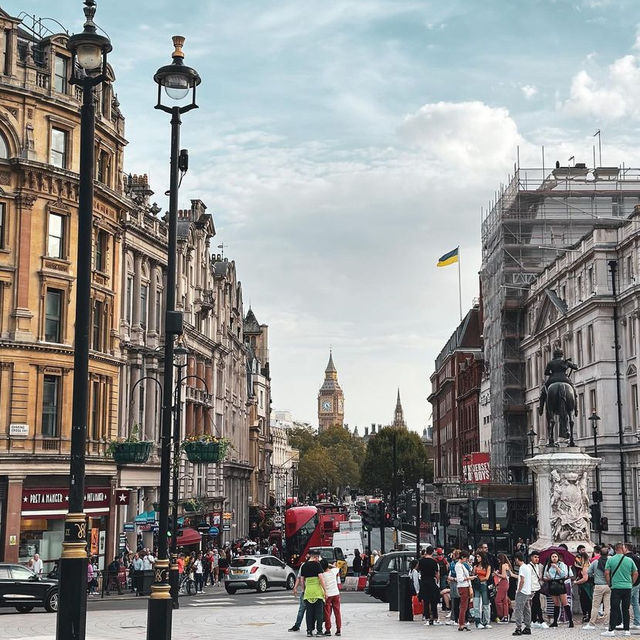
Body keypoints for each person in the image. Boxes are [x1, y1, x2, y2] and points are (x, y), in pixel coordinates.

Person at [601, 542, 638, 637]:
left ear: (616, 549)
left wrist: (609, 583)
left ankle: (611, 630)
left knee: (614, 608)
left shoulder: (611, 560)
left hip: (616, 587)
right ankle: (626, 630)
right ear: (623, 549)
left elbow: (606, 573)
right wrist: (631, 583)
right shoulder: (629, 560)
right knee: (626, 609)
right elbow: (635, 573)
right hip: (627, 587)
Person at [538, 347, 578, 416]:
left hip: (552, 379)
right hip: (565, 379)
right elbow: (575, 367)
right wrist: (571, 364)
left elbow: (546, 372)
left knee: (543, 392)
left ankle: (541, 408)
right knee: (574, 391)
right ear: (562, 354)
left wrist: (552, 374)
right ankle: (576, 409)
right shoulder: (566, 362)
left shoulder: (551, 363)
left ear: (554, 355)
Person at [543, 551, 572, 628]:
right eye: (552, 557)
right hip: (552, 584)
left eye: (555, 556)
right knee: (556, 604)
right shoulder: (548, 565)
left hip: (560, 584)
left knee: (565, 603)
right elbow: (544, 575)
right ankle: (555, 621)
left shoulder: (562, 564)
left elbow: (563, 574)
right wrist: (547, 578)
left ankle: (570, 621)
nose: (554, 558)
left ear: (558, 557)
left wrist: (556, 567)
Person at [301, 550, 327, 638]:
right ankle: (319, 631)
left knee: (309, 613)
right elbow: (321, 579)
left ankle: (309, 631)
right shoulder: (317, 565)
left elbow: (302, 580)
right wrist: (325, 590)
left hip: (308, 592)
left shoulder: (304, 566)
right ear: (315, 557)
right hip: (317, 592)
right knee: (319, 613)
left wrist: (304, 590)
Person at [585, 544, 610, 629]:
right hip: (608, 585)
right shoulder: (610, 562)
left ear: (599, 553)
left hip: (598, 586)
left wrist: (594, 575)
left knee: (595, 606)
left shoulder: (595, 562)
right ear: (608, 554)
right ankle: (607, 623)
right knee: (607, 606)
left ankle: (592, 623)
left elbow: (588, 572)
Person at [419, 545, 441, 625]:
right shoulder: (434, 562)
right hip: (432, 581)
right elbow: (437, 573)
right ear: (432, 552)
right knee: (433, 601)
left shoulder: (421, 561)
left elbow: (420, 571)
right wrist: (437, 582)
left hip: (424, 582)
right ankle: (434, 618)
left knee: (426, 601)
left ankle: (427, 618)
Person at [512, 552, 532, 636]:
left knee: (518, 610)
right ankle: (527, 627)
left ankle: (518, 628)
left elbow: (522, 580)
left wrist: (519, 590)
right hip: (527, 591)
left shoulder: (522, 568)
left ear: (517, 559)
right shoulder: (527, 567)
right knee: (527, 610)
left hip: (522, 592)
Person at [472, 551, 492, 628]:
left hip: (484, 585)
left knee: (486, 604)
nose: (477, 558)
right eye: (476, 557)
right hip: (477, 586)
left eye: (478, 557)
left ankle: (486, 621)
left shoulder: (487, 566)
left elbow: (487, 577)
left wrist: (478, 579)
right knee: (476, 604)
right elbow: (473, 575)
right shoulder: (475, 566)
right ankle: (477, 621)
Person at [528, 551, 547, 628]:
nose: (537, 559)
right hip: (532, 588)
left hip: (537, 587)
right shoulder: (529, 567)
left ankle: (534, 620)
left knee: (535, 605)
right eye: (535, 557)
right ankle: (541, 620)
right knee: (537, 604)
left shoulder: (537, 566)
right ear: (531, 557)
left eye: (538, 557)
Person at [323, 560, 341, 636]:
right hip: (336, 593)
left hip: (328, 595)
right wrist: (330, 565)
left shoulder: (322, 575)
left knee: (327, 613)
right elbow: (337, 567)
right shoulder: (333, 571)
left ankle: (328, 630)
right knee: (337, 612)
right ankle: (338, 629)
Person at [456, 549, 473, 631]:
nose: (467, 560)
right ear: (462, 557)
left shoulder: (462, 565)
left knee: (465, 606)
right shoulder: (458, 565)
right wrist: (470, 578)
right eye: (466, 558)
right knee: (463, 606)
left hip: (465, 586)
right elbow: (460, 578)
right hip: (463, 587)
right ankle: (461, 623)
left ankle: (462, 623)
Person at [624, 543, 640, 630]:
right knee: (635, 603)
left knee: (625, 603)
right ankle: (637, 622)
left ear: (626, 548)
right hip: (637, 583)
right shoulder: (637, 558)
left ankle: (624, 621)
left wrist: (632, 582)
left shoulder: (627, 559)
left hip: (630, 583)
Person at [574, 551, 593, 623]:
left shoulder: (585, 567)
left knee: (585, 601)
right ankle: (587, 615)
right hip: (586, 586)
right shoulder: (587, 565)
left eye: (579, 558)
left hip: (586, 587)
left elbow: (585, 578)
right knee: (587, 601)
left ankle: (587, 615)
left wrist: (576, 582)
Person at [495, 553, 512, 622]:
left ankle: (501, 614)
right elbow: (510, 574)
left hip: (503, 582)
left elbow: (504, 576)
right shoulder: (507, 565)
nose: (498, 561)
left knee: (498, 600)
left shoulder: (502, 565)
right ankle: (506, 616)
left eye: (499, 559)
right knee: (505, 601)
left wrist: (497, 574)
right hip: (507, 583)